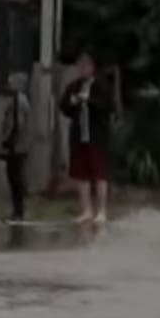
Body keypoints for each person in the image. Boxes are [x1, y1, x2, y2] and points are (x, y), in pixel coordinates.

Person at [60, 51, 114, 224]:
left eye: (86, 66)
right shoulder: (74, 86)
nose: (83, 69)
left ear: (92, 67)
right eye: (80, 66)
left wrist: (88, 101)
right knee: (80, 174)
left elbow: (108, 106)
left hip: (97, 137)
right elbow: (63, 106)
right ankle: (86, 210)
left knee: (99, 174)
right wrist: (73, 102)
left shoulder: (101, 86)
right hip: (79, 135)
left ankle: (102, 210)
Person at [0, 71, 32, 223]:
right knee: (15, 178)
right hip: (18, 145)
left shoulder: (18, 101)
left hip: (16, 146)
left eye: (12, 82)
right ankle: (18, 210)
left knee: (15, 179)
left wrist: (8, 141)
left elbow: (17, 123)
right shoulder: (18, 99)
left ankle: (19, 211)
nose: (9, 84)